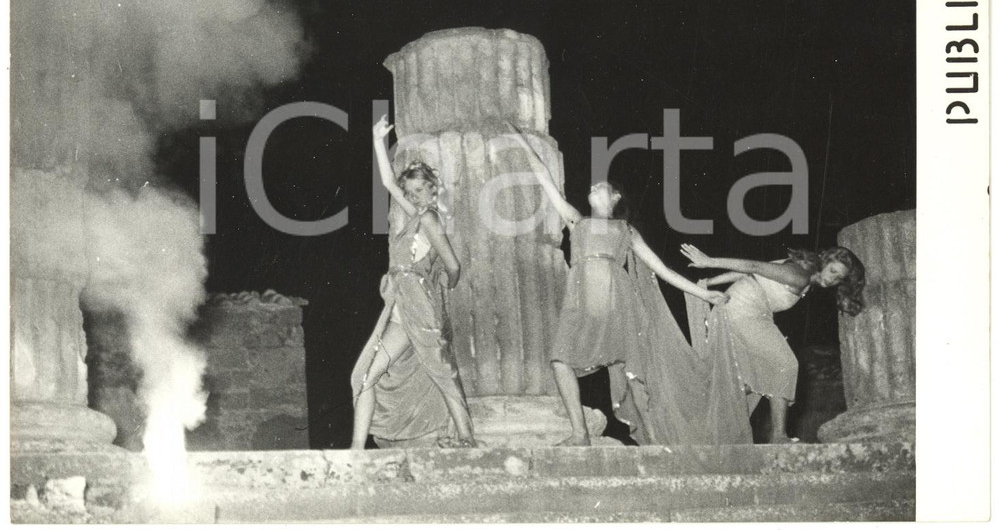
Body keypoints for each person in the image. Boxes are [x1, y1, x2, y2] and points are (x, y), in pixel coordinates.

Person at [507, 125, 751, 447]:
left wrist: (703, 293)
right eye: (593, 185)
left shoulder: (625, 230)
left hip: (617, 302)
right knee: (560, 361)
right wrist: (522, 142)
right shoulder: (576, 220)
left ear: (616, 197)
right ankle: (580, 434)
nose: (593, 186)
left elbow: (662, 270)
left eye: (602, 185)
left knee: (631, 374)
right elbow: (545, 178)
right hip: (581, 303)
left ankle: (652, 441)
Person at [350, 115, 477, 449]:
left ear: (432, 188)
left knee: (439, 367)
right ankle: (355, 452)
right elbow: (390, 184)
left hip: (417, 303)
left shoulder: (430, 219)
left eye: (421, 190)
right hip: (398, 305)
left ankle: (466, 436)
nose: (416, 196)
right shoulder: (415, 216)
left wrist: (438, 284)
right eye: (412, 192)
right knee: (365, 377)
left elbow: (453, 265)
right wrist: (377, 140)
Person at [680, 243, 866, 443]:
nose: (832, 280)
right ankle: (778, 436)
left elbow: (751, 276)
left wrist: (708, 282)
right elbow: (754, 267)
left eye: (838, 278)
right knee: (785, 365)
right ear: (824, 261)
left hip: (742, 309)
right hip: (743, 310)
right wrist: (709, 262)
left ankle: (700, 424)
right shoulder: (799, 275)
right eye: (832, 271)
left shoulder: (804, 269)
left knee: (749, 382)